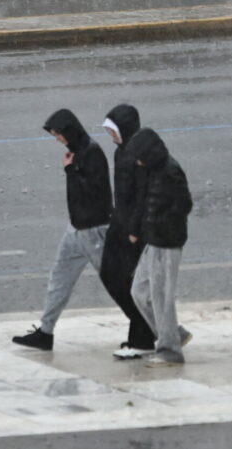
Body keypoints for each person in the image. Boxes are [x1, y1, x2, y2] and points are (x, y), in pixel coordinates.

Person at [13, 109, 113, 351]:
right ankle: (45, 332)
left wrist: (70, 170)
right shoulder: (79, 152)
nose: (57, 139)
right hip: (76, 229)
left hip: (94, 231)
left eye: (58, 134)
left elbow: (95, 192)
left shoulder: (92, 153)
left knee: (119, 283)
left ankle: (161, 330)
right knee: (59, 279)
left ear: (70, 131)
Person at [128, 128, 193, 367]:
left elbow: (184, 205)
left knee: (161, 297)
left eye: (139, 156)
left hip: (167, 242)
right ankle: (174, 333)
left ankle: (170, 350)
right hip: (153, 240)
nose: (136, 161)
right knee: (140, 292)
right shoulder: (153, 169)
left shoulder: (170, 171)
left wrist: (162, 225)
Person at [100, 104, 157, 360]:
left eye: (114, 131)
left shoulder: (137, 155)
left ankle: (143, 338)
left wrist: (134, 229)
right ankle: (146, 327)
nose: (112, 136)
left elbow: (142, 196)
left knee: (129, 283)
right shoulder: (120, 153)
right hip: (119, 224)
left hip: (133, 229)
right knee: (111, 276)